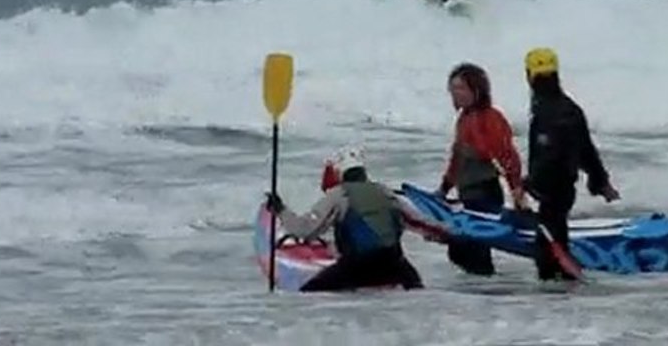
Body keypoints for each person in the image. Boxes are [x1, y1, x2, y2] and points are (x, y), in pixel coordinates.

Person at [266, 146, 445, 292]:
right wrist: (450, 236)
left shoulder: (339, 195)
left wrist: (280, 209)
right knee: (418, 290)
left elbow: (305, 231)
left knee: (307, 293)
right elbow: (422, 223)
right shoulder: (385, 192)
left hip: (357, 269)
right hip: (393, 265)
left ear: (340, 173)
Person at [523, 47, 621, 281]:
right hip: (565, 189)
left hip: (553, 192)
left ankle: (563, 298)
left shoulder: (547, 112)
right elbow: (587, 151)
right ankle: (565, 297)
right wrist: (600, 182)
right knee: (555, 239)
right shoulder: (570, 108)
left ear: (530, 76)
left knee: (547, 254)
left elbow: (549, 158)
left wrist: (530, 184)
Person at [438, 62, 525, 276]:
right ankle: (483, 294)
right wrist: (443, 188)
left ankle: (488, 295)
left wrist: (517, 190)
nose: (455, 93)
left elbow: (508, 157)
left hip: (485, 194)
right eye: (453, 89)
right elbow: (456, 161)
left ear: (476, 90)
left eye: (460, 88)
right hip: (467, 194)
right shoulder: (464, 119)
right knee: (460, 252)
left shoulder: (491, 118)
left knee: (472, 252)